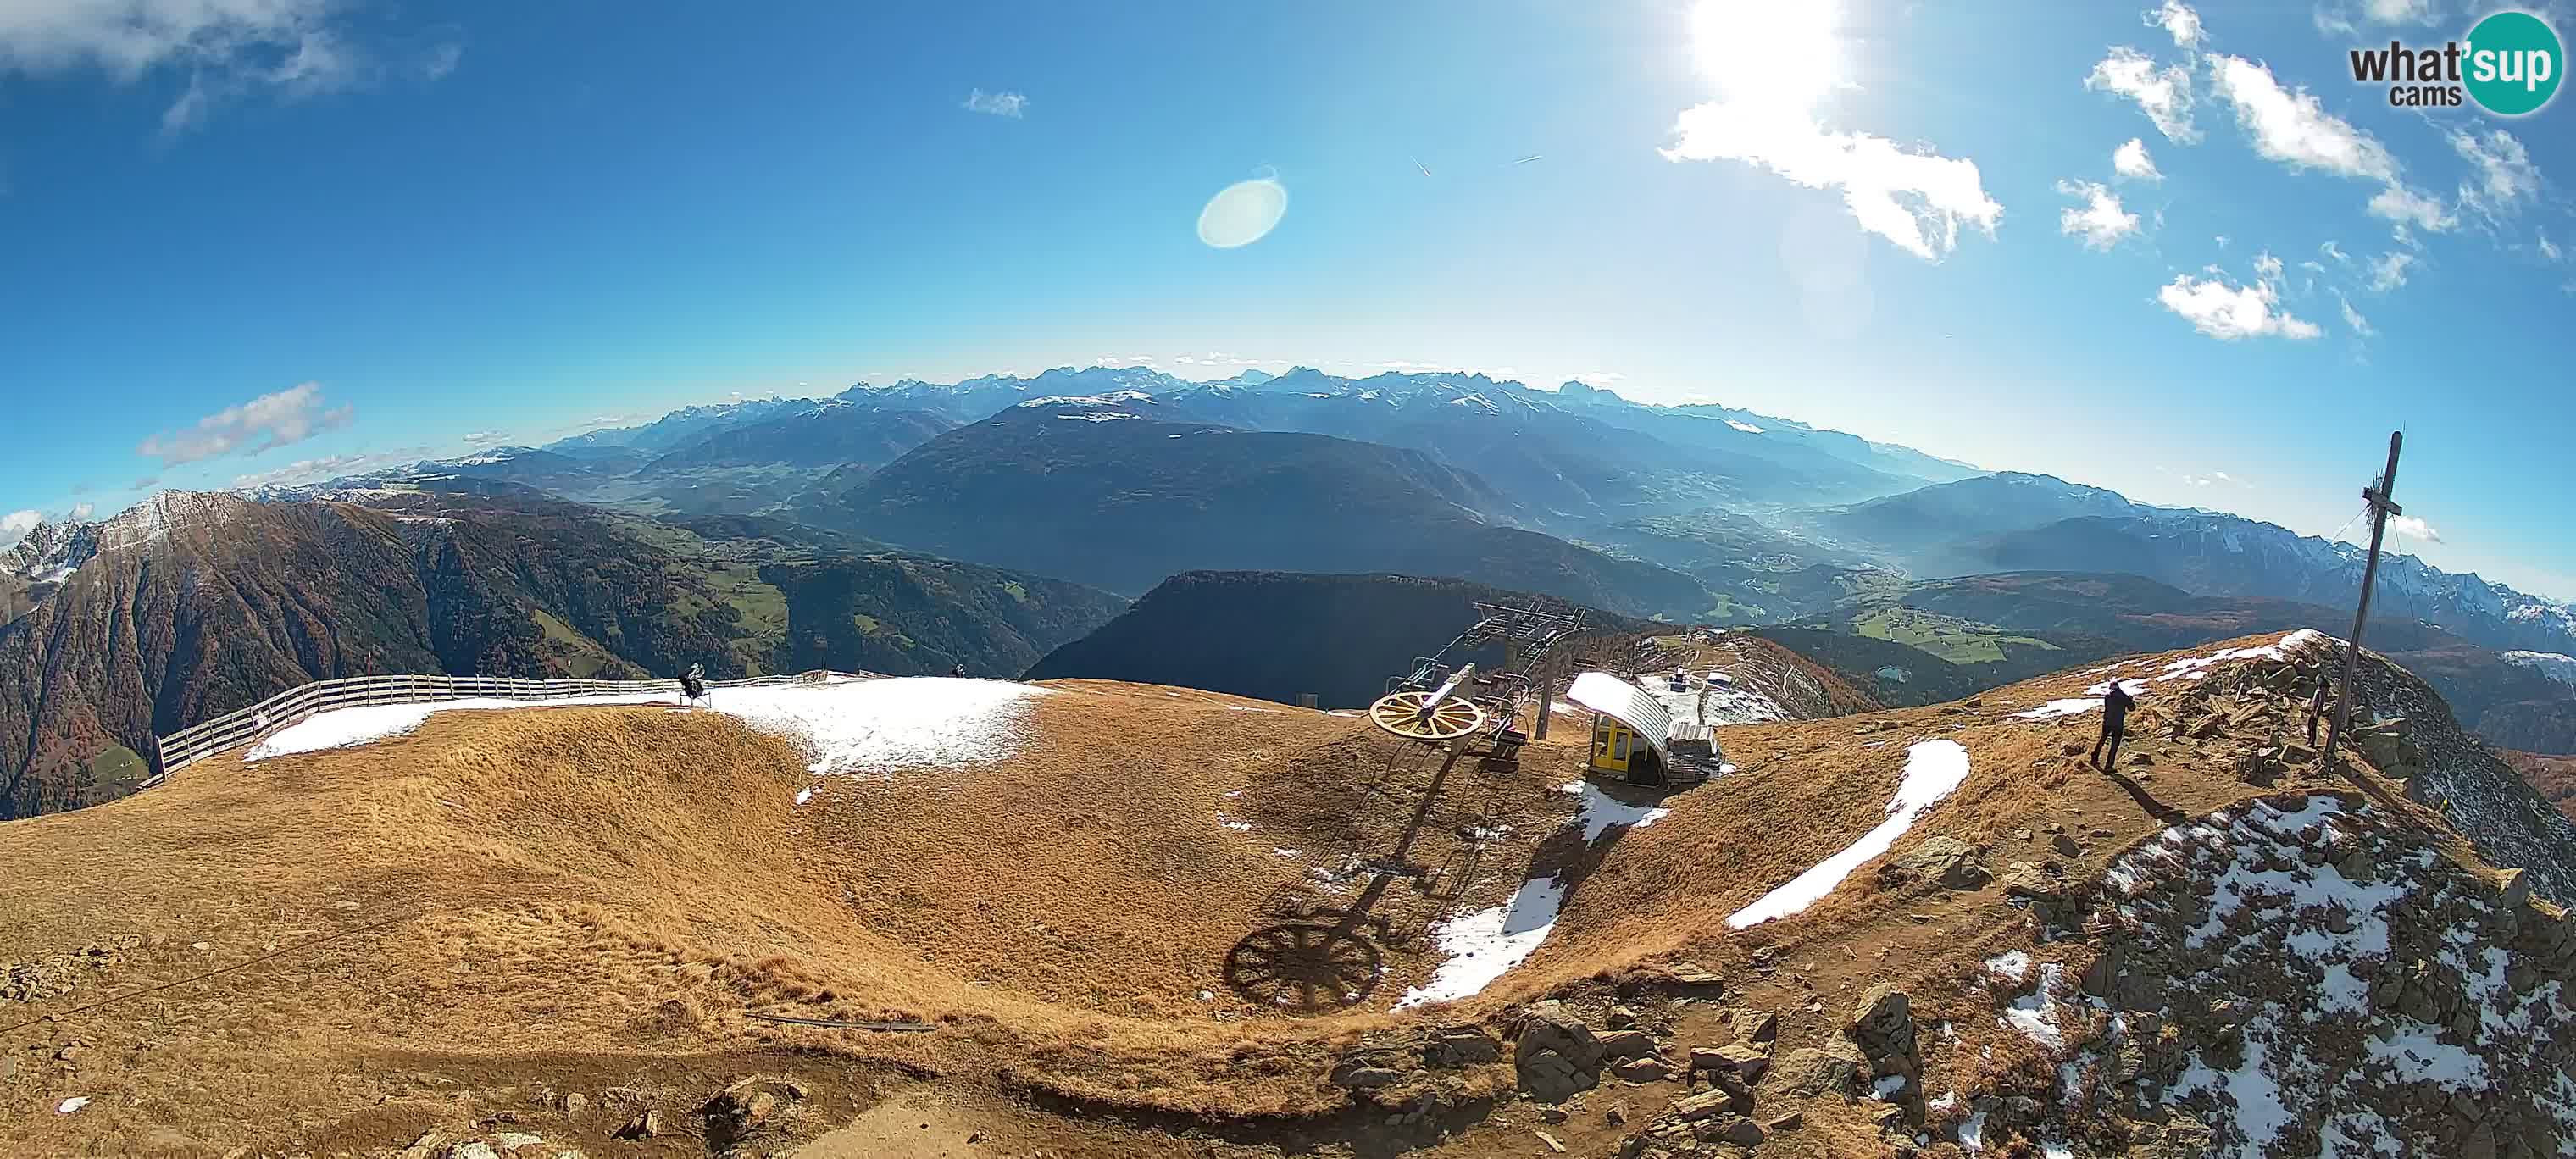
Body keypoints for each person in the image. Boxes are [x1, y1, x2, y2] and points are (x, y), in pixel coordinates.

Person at [2092, 680, 2135, 769]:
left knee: (2102, 740)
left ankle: (2094, 758)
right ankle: (2109, 766)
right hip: (2118, 723)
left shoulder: (2107, 696)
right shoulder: (2123, 696)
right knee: (2114, 745)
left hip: (2107, 722)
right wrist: (2130, 700)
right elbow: (2132, 708)